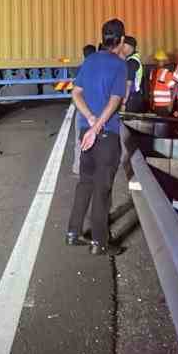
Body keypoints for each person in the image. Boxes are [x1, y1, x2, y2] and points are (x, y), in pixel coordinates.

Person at [67, 19, 128, 256]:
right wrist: (98, 125)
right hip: (106, 134)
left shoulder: (90, 60)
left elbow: (76, 93)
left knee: (85, 183)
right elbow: (115, 100)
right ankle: (100, 243)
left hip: (86, 133)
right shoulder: (119, 65)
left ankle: (73, 233)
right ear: (121, 41)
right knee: (102, 189)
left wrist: (90, 120)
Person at [72, 45, 98, 175]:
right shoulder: (100, 69)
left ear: (84, 54)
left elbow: (76, 91)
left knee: (79, 138)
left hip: (82, 109)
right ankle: (96, 167)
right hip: (97, 109)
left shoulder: (80, 70)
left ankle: (78, 167)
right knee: (96, 137)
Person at [121, 36, 145, 113]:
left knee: (128, 122)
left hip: (131, 97)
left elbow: (128, 85)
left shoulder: (131, 62)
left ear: (130, 47)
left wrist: (123, 103)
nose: (121, 48)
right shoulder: (133, 59)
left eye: (123, 46)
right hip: (135, 96)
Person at [150, 49, 176, 115]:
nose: (159, 62)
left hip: (160, 105)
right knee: (162, 124)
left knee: (159, 124)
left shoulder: (153, 73)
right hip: (161, 105)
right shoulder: (166, 73)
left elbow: (174, 88)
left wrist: (171, 104)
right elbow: (173, 90)